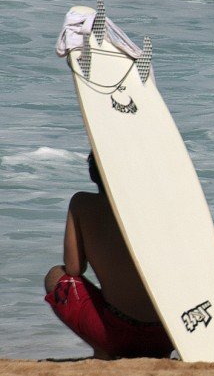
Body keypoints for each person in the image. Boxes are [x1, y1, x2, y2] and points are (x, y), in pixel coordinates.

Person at [44, 152, 173, 359]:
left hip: (114, 334)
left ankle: (104, 349)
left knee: (55, 275)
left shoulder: (82, 204)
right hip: (168, 333)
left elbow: (74, 269)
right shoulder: (156, 204)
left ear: (92, 174)